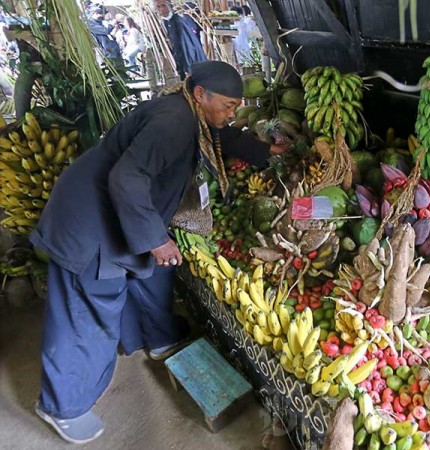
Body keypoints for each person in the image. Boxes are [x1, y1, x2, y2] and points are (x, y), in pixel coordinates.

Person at [30, 61, 286, 444]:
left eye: (238, 106)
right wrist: (154, 238)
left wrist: (265, 150)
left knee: (150, 277)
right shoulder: (173, 122)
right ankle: (61, 407)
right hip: (90, 222)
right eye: (229, 105)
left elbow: (222, 137)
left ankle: (155, 337)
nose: (233, 113)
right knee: (86, 314)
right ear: (202, 95)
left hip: (123, 215)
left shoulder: (192, 113)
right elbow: (126, 177)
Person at [153, 0, 206, 79]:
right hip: (180, 65)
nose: (161, 9)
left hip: (189, 66)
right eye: (158, 7)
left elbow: (187, 48)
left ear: (169, 5)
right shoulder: (165, 23)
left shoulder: (179, 22)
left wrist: (187, 69)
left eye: (163, 5)